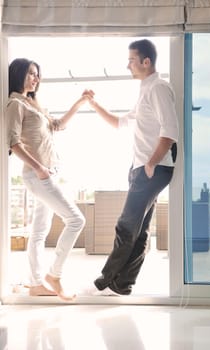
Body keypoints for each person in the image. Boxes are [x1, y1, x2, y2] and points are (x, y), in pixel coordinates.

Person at [85, 39, 179, 296]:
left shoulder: (158, 88)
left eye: (131, 60)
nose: (128, 65)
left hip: (152, 169)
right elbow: (119, 123)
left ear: (146, 62)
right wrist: (93, 105)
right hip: (143, 169)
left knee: (126, 226)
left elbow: (170, 131)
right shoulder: (146, 90)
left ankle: (104, 282)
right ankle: (122, 284)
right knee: (138, 231)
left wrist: (150, 164)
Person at [6, 58, 93, 301]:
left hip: (47, 172)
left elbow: (57, 125)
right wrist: (40, 168)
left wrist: (80, 102)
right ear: (19, 74)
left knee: (39, 231)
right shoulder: (15, 103)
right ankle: (54, 275)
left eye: (37, 75)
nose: (36, 79)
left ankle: (36, 284)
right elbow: (13, 142)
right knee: (76, 220)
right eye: (31, 74)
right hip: (37, 174)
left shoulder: (33, 103)